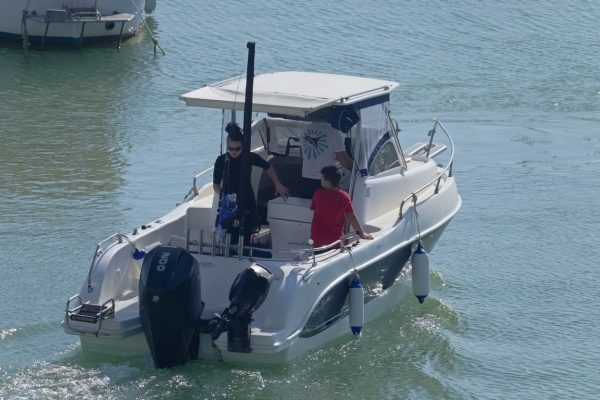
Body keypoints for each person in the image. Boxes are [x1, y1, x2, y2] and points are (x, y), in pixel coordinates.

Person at [213, 122, 289, 243]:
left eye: (237, 149)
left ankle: (247, 248)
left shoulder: (249, 157)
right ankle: (231, 253)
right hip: (230, 202)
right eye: (230, 148)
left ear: (242, 146)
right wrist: (224, 197)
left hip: (247, 199)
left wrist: (278, 184)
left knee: (247, 231)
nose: (234, 151)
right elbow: (216, 185)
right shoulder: (221, 160)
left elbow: (268, 166)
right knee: (230, 234)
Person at [310, 165, 373, 249]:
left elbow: (313, 208)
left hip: (317, 238)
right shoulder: (344, 196)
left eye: (322, 178)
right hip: (335, 240)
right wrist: (361, 233)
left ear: (326, 181)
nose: (320, 180)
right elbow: (351, 217)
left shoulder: (317, 194)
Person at [299, 122, 353, 198]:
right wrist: (356, 170)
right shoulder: (335, 133)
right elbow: (344, 162)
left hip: (305, 179)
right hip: (326, 181)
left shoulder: (304, 129)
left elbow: (302, 155)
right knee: (327, 208)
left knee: (307, 208)